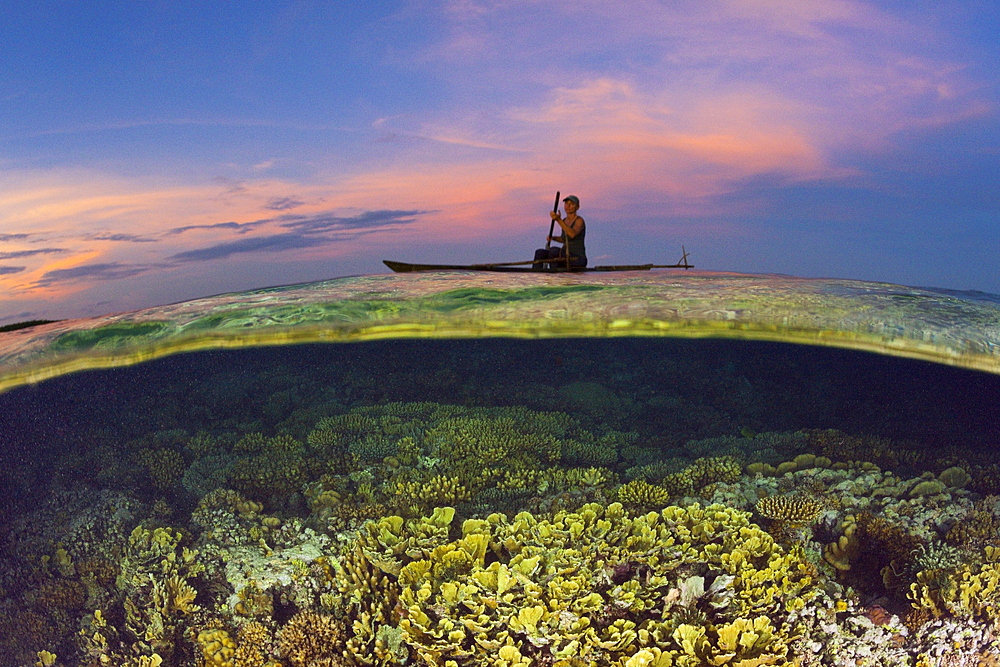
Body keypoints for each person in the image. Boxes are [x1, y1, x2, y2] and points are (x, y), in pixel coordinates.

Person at [533, 195, 587, 270]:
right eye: (566, 203)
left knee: (554, 251)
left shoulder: (579, 221)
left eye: (571, 204)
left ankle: (554, 275)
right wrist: (553, 238)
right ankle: (536, 275)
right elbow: (563, 238)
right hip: (564, 254)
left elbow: (572, 234)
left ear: (577, 207)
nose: (568, 206)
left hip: (577, 258)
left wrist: (558, 220)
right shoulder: (564, 220)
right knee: (539, 252)